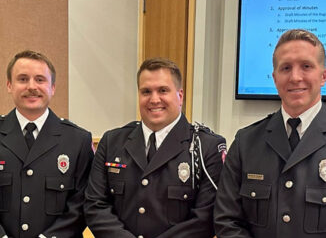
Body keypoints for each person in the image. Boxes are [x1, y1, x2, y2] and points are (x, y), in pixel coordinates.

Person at [84, 57, 226, 238]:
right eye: (146, 92)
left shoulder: (207, 146)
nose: (154, 99)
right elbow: (95, 205)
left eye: (163, 90)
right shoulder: (112, 142)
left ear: (180, 96)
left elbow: (205, 218)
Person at [214, 29, 326, 237]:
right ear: (275, 79)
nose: (295, 77)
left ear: (323, 76)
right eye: (285, 68)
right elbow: (226, 220)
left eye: (306, 66)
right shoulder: (245, 143)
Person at [0, 50, 94, 238]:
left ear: (52, 87)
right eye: (23, 79)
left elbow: (82, 204)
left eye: (40, 80)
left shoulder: (77, 140)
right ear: (9, 85)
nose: (32, 86)